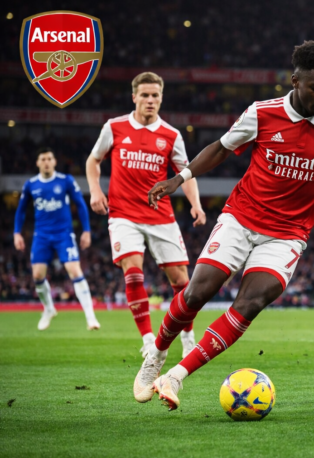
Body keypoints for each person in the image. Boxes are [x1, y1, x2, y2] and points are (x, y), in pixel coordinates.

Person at [133, 41, 314, 410]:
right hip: (241, 218)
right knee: (197, 292)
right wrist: (178, 178)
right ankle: (156, 354)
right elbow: (220, 148)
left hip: (288, 234)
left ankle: (177, 376)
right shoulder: (262, 113)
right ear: (295, 81)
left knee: (250, 303)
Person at [86, 72, 206, 358]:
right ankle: (149, 340)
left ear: (161, 98)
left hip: (160, 215)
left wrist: (196, 204)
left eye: (155, 95)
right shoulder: (114, 127)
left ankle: (187, 336)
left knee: (182, 282)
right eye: (145, 95)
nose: (150, 100)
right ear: (134, 97)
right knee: (133, 272)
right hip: (123, 214)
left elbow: (185, 173)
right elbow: (93, 160)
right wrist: (95, 191)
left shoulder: (171, 135)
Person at [13, 148, 99, 331]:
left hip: (63, 234)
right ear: (38, 162)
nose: (46, 162)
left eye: (49, 158)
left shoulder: (66, 180)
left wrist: (86, 230)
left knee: (74, 270)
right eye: (43, 159)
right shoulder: (31, 185)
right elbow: (21, 210)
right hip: (41, 235)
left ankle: (91, 317)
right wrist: (17, 233)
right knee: (37, 275)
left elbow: (80, 204)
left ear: (54, 162)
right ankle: (49, 308)